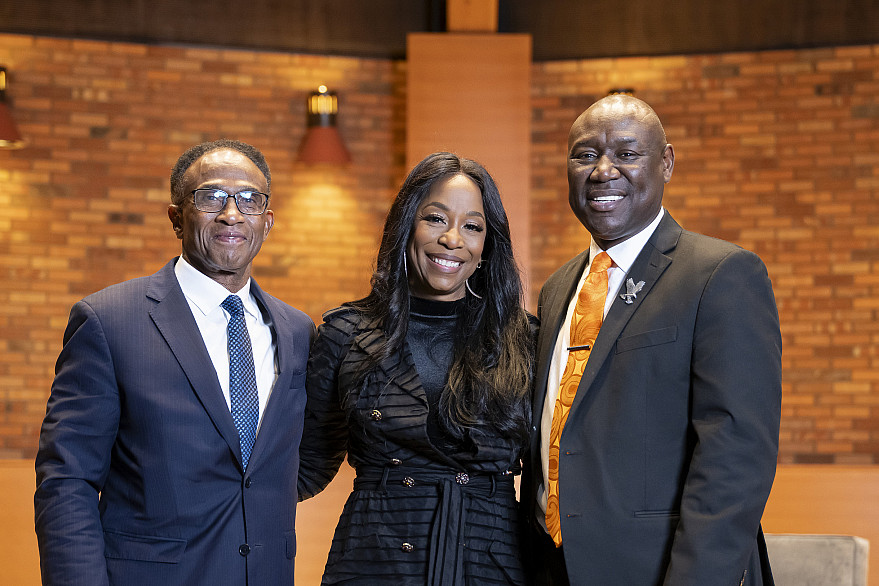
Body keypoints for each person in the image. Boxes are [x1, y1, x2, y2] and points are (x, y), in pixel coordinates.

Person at [521, 95, 782, 585]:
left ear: (666, 162)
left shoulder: (721, 275)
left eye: (627, 153)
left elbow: (736, 458)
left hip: (658, 570)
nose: (603, 171)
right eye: (584, 155)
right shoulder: (558, 289)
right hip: (550, 567)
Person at [34, 139, 315, 585]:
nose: (231, 214)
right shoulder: (109, 321)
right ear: (176, 218)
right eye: (211, 197)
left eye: (249, 200)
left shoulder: (297, 330)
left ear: (268, 221)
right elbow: (67, 481)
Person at [298, 152, 534, 585]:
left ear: (487, 246)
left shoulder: (524, 339)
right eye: (436, 219)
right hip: (373, 560)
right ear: (406, 226)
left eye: (472, 226)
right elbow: (309, 464)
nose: (452, 239)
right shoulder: (346, 333)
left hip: (491, 563)